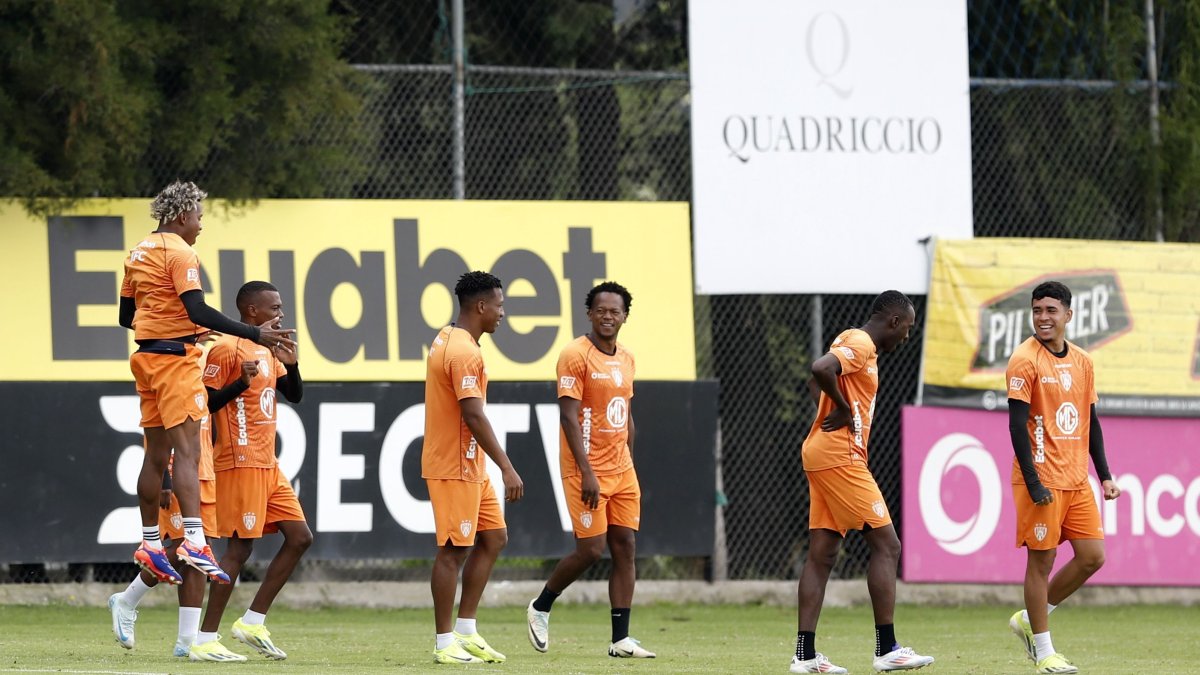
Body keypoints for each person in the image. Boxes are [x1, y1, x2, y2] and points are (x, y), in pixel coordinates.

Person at [119, 181, 294, 586]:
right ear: (182, 216)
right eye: (199, 216)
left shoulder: (138, 252)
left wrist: (180, 326)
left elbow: (127, 317)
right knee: (187, 451)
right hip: (174, 361)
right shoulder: (182, 253)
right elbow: (196, 307)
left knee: (155, 453)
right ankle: (195, 541)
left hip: (145, 356)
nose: (200, 224)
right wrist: (254, 335)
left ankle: (149, 542)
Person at [791, 291, 933, 674]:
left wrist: (833, 402)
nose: (907, 335)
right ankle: (887, 648)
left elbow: (817, 378)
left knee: (822, 554)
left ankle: (804, 656)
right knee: (888, 545)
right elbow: (820, 368)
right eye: (908, 327)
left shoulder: (851, 340)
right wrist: (841, 407)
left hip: (823, 453)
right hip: (840, 456)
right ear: (893, 321)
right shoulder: (860, 343)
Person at [526, 281, 655, 659]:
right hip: (586, 468)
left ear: (625, 316)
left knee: (625, 548)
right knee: (591, 549)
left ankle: (620, 640)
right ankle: (541, 605)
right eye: (601, 310)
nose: (608, 317)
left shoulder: (627, 359)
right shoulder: (574, 355)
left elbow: (625, 414)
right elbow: (568, 416)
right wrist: (587, 472)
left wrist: (627, 460)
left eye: (615, 311)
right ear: (589, 314)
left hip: (621, 470)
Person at [187, 281, 310, 662]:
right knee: (239, 549)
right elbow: (204, 402)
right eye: (274, 306)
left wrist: (292, 364)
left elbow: (294, 395)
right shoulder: (226, 348)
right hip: (239, 459)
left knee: (300, 537)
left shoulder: (268, 349)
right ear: (251, 311)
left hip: (267, 462)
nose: (281, 313)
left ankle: (253, 621)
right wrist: (240, 382)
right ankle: (204, 638)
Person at [1006, 281, 1120, 675]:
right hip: (1041, 480)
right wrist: (1035, 483)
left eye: (1051, 310)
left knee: (1093, 557)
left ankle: (1030, 618)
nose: (1043, 318)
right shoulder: (1024, 359)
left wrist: (1103, 474)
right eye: (1037, 310)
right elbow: (1017, 426)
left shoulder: (1084, 361)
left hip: (1076, 478)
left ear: (1068, 315)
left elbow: (1092, 422)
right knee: (1042, 562)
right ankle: (1043, 651)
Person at [108, 357, 253, 658]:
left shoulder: (197, 359)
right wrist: (163, 477)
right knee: (181, 549)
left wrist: (239, 383)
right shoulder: (168, 359)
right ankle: (127, 599)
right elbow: (158, 425)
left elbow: (204, 407)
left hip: (202, 470)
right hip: (176, 471)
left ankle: (187, 642)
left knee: (201, 552)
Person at [422, 271, 524, 665]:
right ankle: (444, 641)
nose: (502, 313)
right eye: (499, 305)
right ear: (481, 306)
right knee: (452, 551)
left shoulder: (449, 337)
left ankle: (466, 631)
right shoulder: (463, 351)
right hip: (452, 464)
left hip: (469, 464)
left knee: (494, 538)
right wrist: (507, 467)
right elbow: (473, 415)